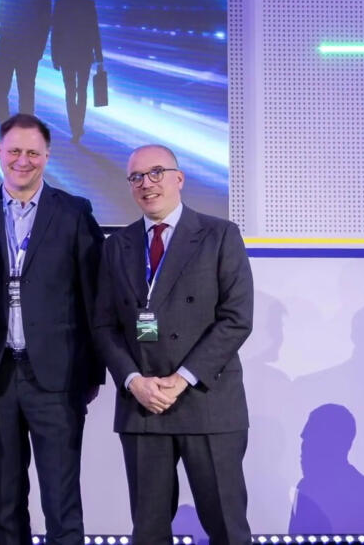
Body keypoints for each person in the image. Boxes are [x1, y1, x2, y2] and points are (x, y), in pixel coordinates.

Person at [0, 113, 104, 545]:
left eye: (33, 152)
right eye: (15, 151)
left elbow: (94, 296)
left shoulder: (74, 212)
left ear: (47, 156)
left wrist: (92, 374)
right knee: (5, 504)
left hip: (57, 379)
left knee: (62, 503)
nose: (23, 160)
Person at [93, 144, 252, 545]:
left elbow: (236, 319)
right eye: (136, 177)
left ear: (179, 178)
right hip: (143, 406)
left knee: (227, 527)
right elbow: (104, 326)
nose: (147, 184)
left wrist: (182, 379)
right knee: (148, 532)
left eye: (156, 173)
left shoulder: (219, 235)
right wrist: (134, 381)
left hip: (208, 401)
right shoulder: (117, 245)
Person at [50, 0, 103, 143]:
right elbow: (94, 32)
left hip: (66, 55)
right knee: (82, 91)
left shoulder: (60, 3)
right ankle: (79, 124)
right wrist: (99, 57)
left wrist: (55, 56)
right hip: (84, 55)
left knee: (70, 92)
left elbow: (55, 32)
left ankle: (74, 128)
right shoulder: (89, 4)